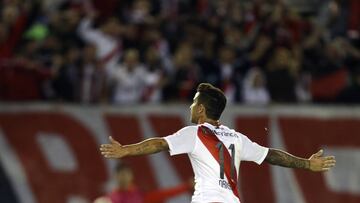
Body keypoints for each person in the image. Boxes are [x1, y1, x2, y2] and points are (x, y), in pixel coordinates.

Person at [100, 83, 336, 203]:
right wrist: (306, 164)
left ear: (201, 109)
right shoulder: (237, 137)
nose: (191, 106)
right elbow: (271, 155)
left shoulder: (195, 133)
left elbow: (159, 144)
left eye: (193, 102)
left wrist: (125, 150)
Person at [94, 162, 193, 203]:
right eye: (121, 175)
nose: (123, 177)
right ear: (115, 176)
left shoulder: (140, 195)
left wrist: (186, 186)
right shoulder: (110, 198)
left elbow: (163, 194)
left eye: (125, 174)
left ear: (131, 175)